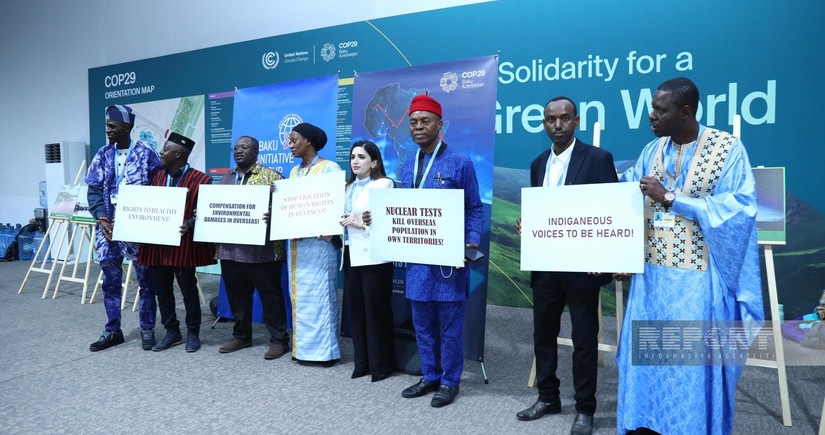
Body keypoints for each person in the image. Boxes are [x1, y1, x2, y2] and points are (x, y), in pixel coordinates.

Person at [615, 77, 764, 435]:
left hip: (699, 284)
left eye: (659, 110)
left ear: (685, 112)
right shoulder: (652, 152)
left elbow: (740, 210)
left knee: (691, 366)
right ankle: (646, 425)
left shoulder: (727, 149)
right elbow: (628, 196)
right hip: (652, 279)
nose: (650, 116)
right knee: (648, 362)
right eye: (651, 107)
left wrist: (671, 198)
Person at [514, 97, 617, 435]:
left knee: (584, 338)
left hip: (582, 267)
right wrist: (527, 223)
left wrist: (603, 257)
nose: (556, 125)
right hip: (545, 265)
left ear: (576, 121)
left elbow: (610, 211)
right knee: (543, 332)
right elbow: (544, 211)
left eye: (563, 119)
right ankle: (548, 397)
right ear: (544, 123)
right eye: (549, 120)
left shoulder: (599, 159)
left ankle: (585, 408)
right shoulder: (537, 162)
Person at [389, 94, 484, 407]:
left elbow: (474, 207)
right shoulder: (406, 166)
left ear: (440, 125)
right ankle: (429, 375)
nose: (418, 127)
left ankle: (450, 381)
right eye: (413, 122)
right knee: (422, 323)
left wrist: (471, 240)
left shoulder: (460, 162)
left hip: (448, 261)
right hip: (417, 261)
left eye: (425, 121)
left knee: (451, 325)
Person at [86, 104, 161, 352]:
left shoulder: (146, 153)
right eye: (107, 125)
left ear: (126, 128)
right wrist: (101, 218)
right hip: (107, 227)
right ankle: (112, 330)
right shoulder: (102, 154)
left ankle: (147, 328)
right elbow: (94, 190)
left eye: (112, 126)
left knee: (146, 279)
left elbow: (159, 187)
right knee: (110, 280)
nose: (107, 130)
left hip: (137, 226)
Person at [137, 132, 215, 352]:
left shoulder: (202, 180)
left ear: (178, 153)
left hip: (183, 246)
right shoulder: (156, 178)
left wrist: (190, 223)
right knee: (162, 291)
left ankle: (193, 333)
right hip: (156, 246)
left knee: (188, 291)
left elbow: (206, 214)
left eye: (165, 150)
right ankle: (172, 332)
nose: (161, 153)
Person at [217, 135, 290, 360]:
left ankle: (279, 339)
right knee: (238, 296)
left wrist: (274, 215)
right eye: (236, 148)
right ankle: (241, 336)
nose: (239, 151)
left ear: (256, 152)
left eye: (245, 147)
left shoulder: (272, 177)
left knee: (270, 296)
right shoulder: (226, 179)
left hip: (263, 252)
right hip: (230, 250)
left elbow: (287, 210)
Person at [339, 140, 396, 382]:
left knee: (376, 311)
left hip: (375, 257)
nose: (355, 161)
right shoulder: (347, 187)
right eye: (353, 156)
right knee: (356, 311)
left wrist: (358, 222)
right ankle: (361, 363)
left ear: (374, 162)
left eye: (361, 157)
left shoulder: (384, 184)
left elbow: (386, 223)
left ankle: (380, 366)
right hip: (351, 254)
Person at [287, 122, 343, 367]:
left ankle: (325, 352)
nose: (290, 145)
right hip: (297, 245)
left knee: (321, 296)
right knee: (300, 297)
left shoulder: (329, 169)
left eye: (294, 140)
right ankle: (303, 350)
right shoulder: (293, 173)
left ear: (307, 141)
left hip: (320, 246)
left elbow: (337, 205)